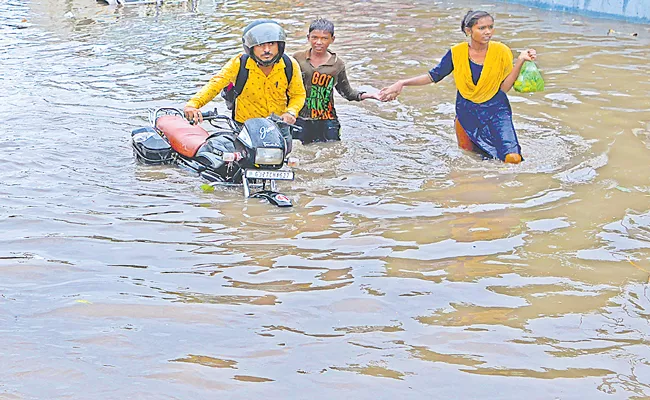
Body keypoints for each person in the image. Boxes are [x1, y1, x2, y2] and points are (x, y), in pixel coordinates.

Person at [380, 10, 537, 164]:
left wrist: (521, 61)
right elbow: (433, 76)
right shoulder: (457, 53)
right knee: (469, 160)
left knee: (513, 158)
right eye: (482, 28)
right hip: (467, 112)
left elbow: (504, 88)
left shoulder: (501, 51)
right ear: (468, 31)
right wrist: (402, 83)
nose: (488, 32)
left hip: (496, 111)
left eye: (490, 27)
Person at [184, 19, 306, 129]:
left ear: (279, 46)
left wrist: (291, 112)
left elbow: (298, 94)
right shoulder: (239, 63)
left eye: (271, 44)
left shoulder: (289, 64)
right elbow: (215, 84)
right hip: (245, 126)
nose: (267, 50)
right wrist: (193, 105)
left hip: (279, 125)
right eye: (260, 45)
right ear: (251, 48)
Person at [292, 18, 381, 144]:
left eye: (324, 38)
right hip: (299, 118)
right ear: (308, 38)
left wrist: (370, 95)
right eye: (315, 37)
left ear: (332, 39)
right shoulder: (297, 58)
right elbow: (285, 86)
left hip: (327, 120)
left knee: (332, 153)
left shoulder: (337, 65)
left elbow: (347, 92)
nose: (319, 42)